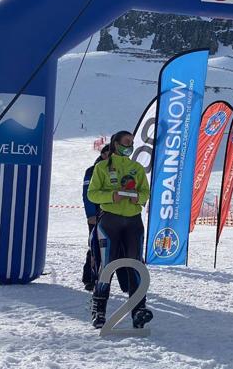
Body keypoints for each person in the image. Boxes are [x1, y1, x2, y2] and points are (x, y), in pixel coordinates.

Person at [88, 130, 152, 329]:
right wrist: (111, 197)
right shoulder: (102, 168)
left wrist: (138, 198)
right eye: (126, 142)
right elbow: (92, 194)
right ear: (115, 144)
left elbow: (145, 192)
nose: (130, 146)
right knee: (107, 265)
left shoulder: (137, 168)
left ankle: (138, 310)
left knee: (135, 265)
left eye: (132, 142)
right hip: (110, 222)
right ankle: (99, 311)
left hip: (133, 222)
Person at [82, 144, 110, 291]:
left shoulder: (118, 169)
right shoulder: (92, 170)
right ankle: (90, 278)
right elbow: (87, 194)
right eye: (109, 153)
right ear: (104, 154)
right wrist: (91, 214)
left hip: (114, 215)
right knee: (95, 246)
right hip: (97, 216)